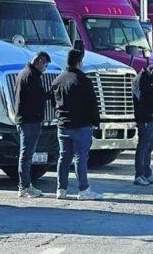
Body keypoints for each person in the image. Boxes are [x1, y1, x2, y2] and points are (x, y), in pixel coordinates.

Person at [52, 49, 103, 200]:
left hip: (62, 125)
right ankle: (83, 189)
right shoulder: (83, 81)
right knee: (80, 157)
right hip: (81, 125)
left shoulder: (58, 80)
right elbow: (92, 104)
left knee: (63, 158)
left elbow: (52, 101)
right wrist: (96, 121)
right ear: (79, 62)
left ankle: (61, 189)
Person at [13, 51, 51, 198]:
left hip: (24, 119)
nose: (45, 69)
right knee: (27, 154)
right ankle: (24, 186)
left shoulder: (23, 73)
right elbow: (37, 98)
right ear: (39, 62)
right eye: (45, 65)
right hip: (30, 120)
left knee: (26, 154)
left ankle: (25, 185)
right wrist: (51, 93)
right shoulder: (31, 76)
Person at [132, 62, 153, 186]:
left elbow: (151, 97)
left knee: (149, 146)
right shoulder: (141, 80)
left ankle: (147, 173)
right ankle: (139, 175)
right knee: (143, 147)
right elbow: (143, 99)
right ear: (152, 71)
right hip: (146, 119)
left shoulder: (150, 81)